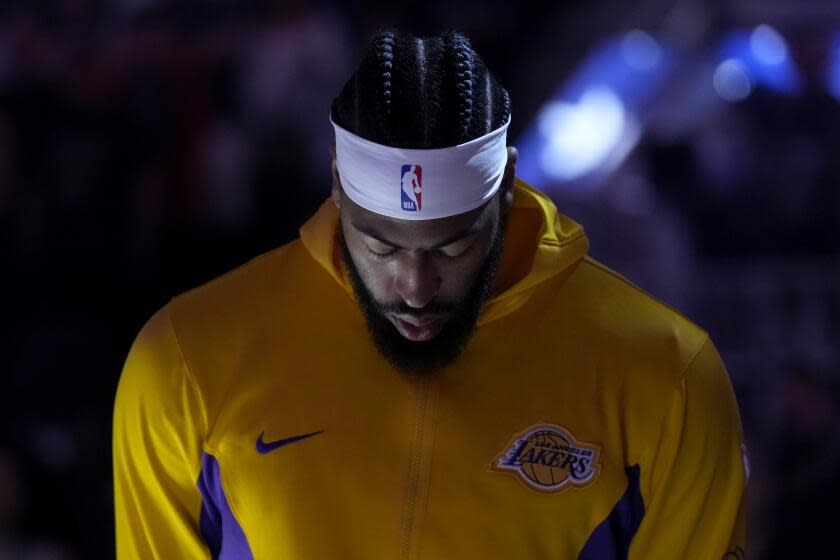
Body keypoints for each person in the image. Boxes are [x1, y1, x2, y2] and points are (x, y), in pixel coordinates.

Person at [113, 30, 747, 559]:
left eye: (451, 248)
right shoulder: (188, 360)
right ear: (337, 184)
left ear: (506, 192)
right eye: (382, 246)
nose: (415, 289)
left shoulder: (666, 375)